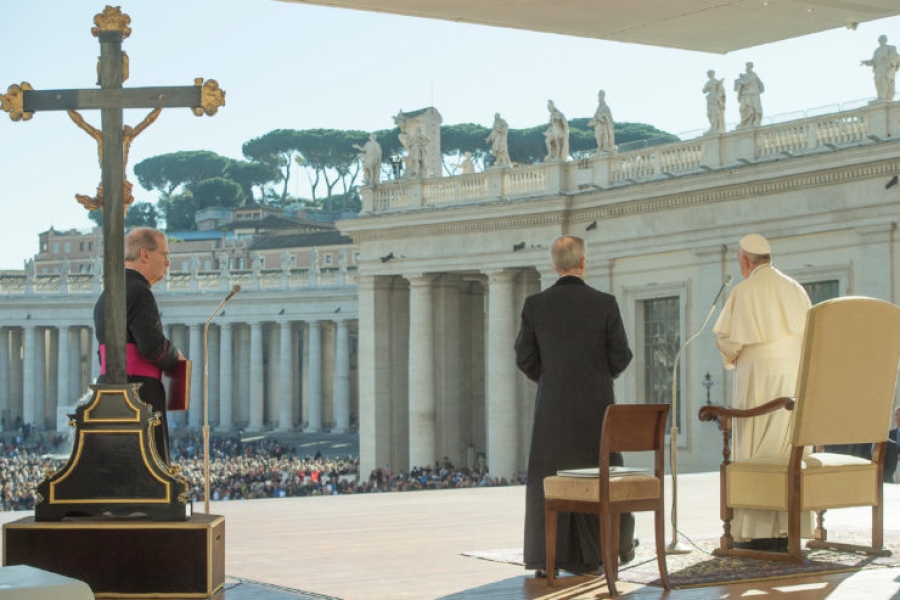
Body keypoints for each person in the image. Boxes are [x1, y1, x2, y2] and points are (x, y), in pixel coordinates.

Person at [515, 235, 636, 576]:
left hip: (552, 410)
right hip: (597, 411)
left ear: (553, 265)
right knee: (599, 477)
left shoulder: (535, 305)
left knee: (550, 480)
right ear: (584, 262)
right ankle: (600, 554)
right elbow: (621, 355)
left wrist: (553, 379)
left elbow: (524, 357)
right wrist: (595, 378)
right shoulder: (605, 304)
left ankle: (546, 557)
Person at [712, 233, 813, 550]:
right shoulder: (795, 289)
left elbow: (730, 341)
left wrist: (727, 352)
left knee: (756, 446)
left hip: (757, 378)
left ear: (745, 261)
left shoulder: (744, 291)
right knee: (786, 449)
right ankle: (790, 524)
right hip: (794, 377)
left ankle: (756, 529)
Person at [94, 227, 184, 463]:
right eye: (164, 255)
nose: (168, 263)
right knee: (149, 467)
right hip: (140, 393)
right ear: (145, 255)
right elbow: (153, 348)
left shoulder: (106, 294)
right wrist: (177, 360)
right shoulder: (140, 292)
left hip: (109, 389)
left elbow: (102, 354)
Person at [861, 35, 900, 103]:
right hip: (878, 68)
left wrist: (892, 64)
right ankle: (880, 97)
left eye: (882, 40)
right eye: (880, 40)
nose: (881, 41)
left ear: (885, 40)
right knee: (878, 82)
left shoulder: (891, 48)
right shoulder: (877, 51)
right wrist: (866, 62)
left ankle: (883, 97)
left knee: (885, 81)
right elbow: (873, 61)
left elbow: (896, 57)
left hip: (887, 68)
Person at [734, 62, 765, 128]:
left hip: (752, 94)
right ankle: (746, 121)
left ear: (751, 67)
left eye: (748, 66)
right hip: (746, 94)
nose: (747, 68)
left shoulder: (753, 75)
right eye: (747, 66)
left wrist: (740, 80)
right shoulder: (746, 76)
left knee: (753, 108)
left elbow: (746, 82)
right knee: (744, 108)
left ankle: (752, 121)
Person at [703, 70, 726, 135]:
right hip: (710, 98)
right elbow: (704, 91)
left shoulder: (717, 82)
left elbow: (722, 92)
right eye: (708, 74)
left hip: (715, 99)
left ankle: (716, 127)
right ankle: (713, 126)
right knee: (709, 113)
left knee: (716, 113)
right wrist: (707, 88)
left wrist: (718, 96)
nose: (709, 75)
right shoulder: (708, 82)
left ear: (713, 74)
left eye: (710, 73)